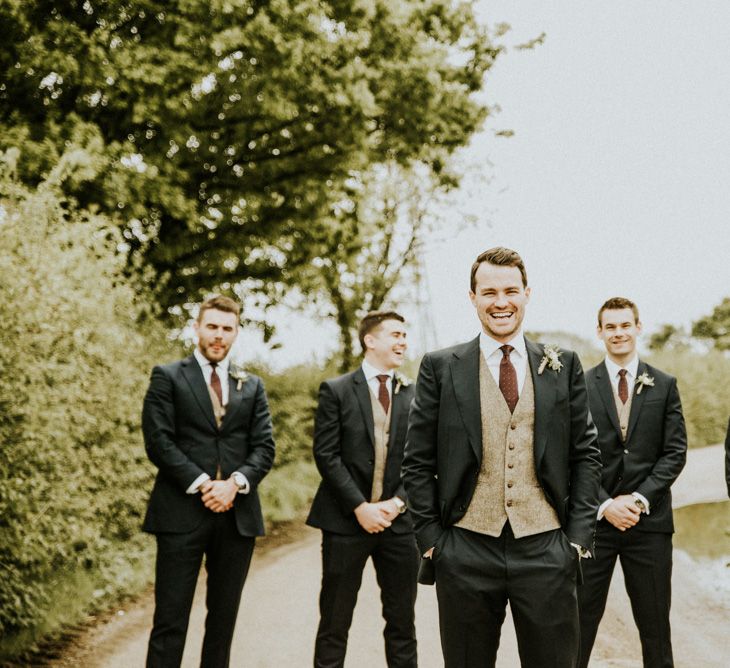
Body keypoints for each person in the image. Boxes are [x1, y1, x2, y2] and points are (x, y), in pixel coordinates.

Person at [402, 247, 601, 668]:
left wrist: (577, 541)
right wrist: (434, 543)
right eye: (489, 292)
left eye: (511, 290)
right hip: (465, 547)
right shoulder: (440, 367)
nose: (501, 302)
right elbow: (417, 462)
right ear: (472, 297)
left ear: (528, 294)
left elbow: (585, 456)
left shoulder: (562, 365)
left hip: (547, 546)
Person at [142, 295, 275, 668]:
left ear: (236, 333)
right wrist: (204, 484)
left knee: (223, 623)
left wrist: (234, 484)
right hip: (180, 514)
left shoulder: (252, 385)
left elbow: (264, 447)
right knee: (170, 621)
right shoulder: (167, 376)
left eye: (227, 329)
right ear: (197, 327)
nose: (219, 335)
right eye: (212, 326)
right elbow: (158, 442)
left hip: (237, 516)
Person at [578, 297, 687, 668]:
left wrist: (639, 500)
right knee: (579, 624)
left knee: (655, 628)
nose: (618, 333)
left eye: (625, 325)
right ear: (599, 332)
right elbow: (570, 456)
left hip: (650, 524)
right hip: (594, 525)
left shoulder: (665, 384)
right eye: (610, 326)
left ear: (638, 327)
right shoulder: (581, 384)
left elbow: (674, 453)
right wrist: (606, 505)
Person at [307, 311, 419, 668]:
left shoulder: (415, 394)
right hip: (344, 523)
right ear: (370, 341)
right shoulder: (337, 390)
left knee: (402, 624)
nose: (403, 342)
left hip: (399, 527)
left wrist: (397, 504)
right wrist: (359, 506)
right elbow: (326, 454)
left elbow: (424, 459)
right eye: (395, 335)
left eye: (405, 335)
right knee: (335, 623)